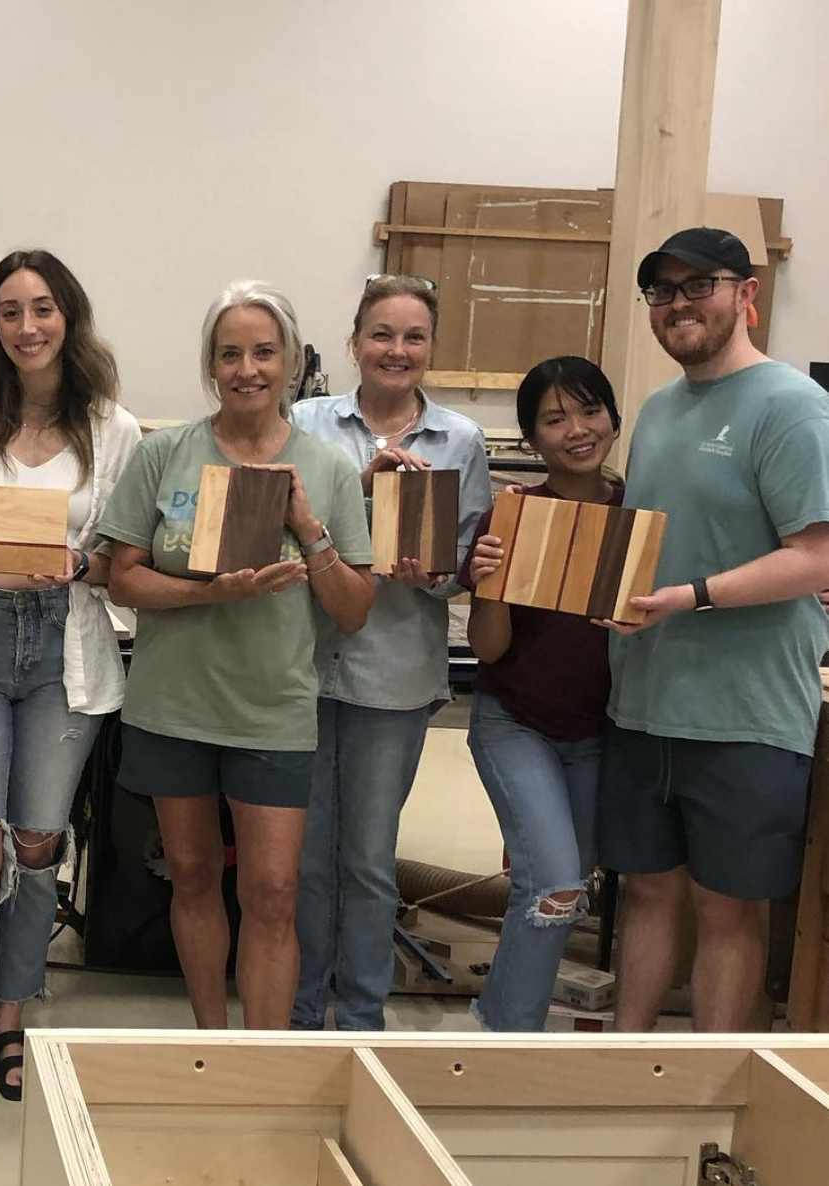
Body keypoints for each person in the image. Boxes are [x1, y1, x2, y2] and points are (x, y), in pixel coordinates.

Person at [99, 280, 373, 1030]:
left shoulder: (329, 470)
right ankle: (211, 1042)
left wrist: (309, 528)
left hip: (274, 711)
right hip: (174, 704)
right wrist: (209, 593)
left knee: (274, 890)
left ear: (290, 362)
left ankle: (266, 1060)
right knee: (189, 875)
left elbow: (352, 611)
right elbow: (121, 579)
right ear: (210, 366)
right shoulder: (164, 455)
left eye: (263, 352)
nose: (246, 369)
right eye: (229, 354)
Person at [0, 250, 141, 1101]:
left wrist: (83, 564)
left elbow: (123, 557)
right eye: (10, 312)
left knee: (38, 841)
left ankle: (11, 1016)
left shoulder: (113, 428)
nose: (29, 326)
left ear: (68, 317)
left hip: (65, 651)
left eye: (43, 309)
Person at [599, 227, 829, 1032]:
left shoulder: (795, 407)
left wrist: (693, 595)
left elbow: (816, 558)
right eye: (662, 291)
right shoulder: (659, 410)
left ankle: (711, 1110)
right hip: (646, 702)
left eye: (700, 285)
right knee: (648, 891)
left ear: (747, 293)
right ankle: (628, 1071)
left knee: (728, 910)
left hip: (746, 715)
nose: (678, 304)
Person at [292, 274, 490, 1032]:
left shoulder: (460, 440)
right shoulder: (307, 422)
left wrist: (435, 573)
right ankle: (303, 1012)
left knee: (370, 862)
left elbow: (463, 563)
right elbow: (282, 536)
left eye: (413, 337)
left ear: (430, 348)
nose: (396, 350)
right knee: (306, 861)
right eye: (382, 334)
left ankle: (362, 1018)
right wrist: (358, 493)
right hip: (305, 669)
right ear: (354, 342)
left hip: (397, 678)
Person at [461, 356, 622, 1031]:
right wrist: (489, 580)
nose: (577, 430)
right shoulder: (514, 516)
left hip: (600, 732)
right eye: (555, 419)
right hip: (514, 722)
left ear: (614, 419)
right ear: (531, 441)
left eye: (590, 411)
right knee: (554, 884)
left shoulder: (640, 512)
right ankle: (507, 1041)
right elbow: (489, 649)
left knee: (565, 891)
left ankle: (501, 1017)